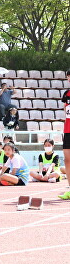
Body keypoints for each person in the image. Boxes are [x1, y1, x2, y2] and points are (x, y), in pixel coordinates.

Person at [60, 70, 70, 199]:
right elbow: (65, 110)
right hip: (67, 130)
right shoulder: (66, 94)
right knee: (68, 160)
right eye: (68, 77)